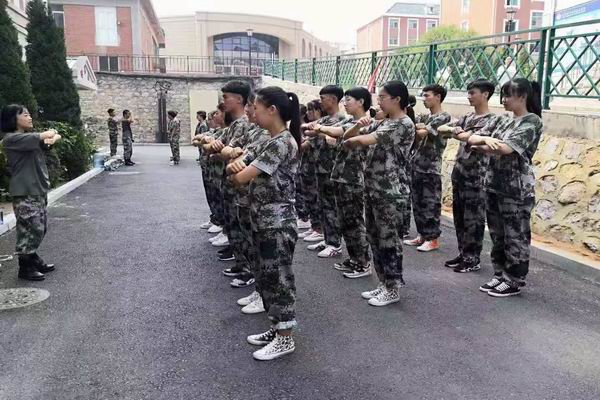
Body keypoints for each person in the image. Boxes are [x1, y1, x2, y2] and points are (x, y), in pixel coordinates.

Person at [227, 86, 301, 360]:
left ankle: (285, 338)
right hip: (263, 219)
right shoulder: (268, 140)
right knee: (266, 278)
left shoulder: (282, 143)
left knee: (279, 279)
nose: (253, 112)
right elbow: (234, 164)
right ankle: (276, 328)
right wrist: (235, 167)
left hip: (277, 222)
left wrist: (236, 169)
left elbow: (240, 176)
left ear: (273, 110)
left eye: (256, 108)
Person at [462, 78, 543, 297]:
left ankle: (514, 279)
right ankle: (500, 274)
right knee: (498, 234)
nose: (504, 100)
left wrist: (485, 142)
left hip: (516, 189)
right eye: (503, 95)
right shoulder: (505, 121)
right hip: (494, 184)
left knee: (515, 235)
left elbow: (506, 149)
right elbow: (472, 138)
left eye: (508, 96)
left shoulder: (531, 121)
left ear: (523, 97)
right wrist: (484, 140)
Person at [342, 81, 415, 306]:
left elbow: (363, 140)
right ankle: (383, 282)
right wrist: (358, 125)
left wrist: (354, 138)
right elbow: (348, 136)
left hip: (391, 192)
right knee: (374, 238)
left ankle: (393, 288)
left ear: (397, 99)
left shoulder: (402, 124)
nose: (379, 101)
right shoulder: (384, 122)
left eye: (382, 97)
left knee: (389, 241)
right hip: (374, 189)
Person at [315, 87, 373, 278]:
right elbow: (335, 131)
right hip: (341, 176)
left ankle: (363, 262)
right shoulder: (349, 121)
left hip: (354, 179)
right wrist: (322, 129)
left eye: (348, 99)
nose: (345, 103)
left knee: (355, 221)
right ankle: (354, 258)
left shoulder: (367, 123)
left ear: (361, 102)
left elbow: (338, 133)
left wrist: (319, 128)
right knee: (345, 221)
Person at [1, 105, 62, 281]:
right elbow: (46, 135)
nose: (30, 117)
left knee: (39, 228)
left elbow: (54, 137)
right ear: (13, 118)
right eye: (25, 115)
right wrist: (51, 134)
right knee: (30, 228)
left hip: (37, 189)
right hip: (25, 191)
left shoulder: (27, 139)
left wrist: (52, 137)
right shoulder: (12, 139)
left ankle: (32, 257)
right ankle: (25, 266)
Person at [444, 79, 497, 273]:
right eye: (468, 93)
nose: (469, 96)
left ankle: (472, 258)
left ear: (485, 94)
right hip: (460, 173)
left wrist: (460, 134)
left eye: (472, 92)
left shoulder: (493, 120)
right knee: (459, 217)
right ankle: (463, 253)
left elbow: (473, 141)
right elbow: (443, 129)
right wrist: (454, 130)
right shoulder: (467, 117)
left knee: (473, 219)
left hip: (477, 177)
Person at [404, 84, 451, 252]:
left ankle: (432, 238)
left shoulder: (443, 117)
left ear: (438, 97)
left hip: (431, 167)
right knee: (417, 202)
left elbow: (422, 133)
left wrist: (421, 127)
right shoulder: (424, 116)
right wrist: (419, 126)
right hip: (416, 164)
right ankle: (422, 235)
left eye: (427, 95)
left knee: (430, 203)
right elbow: (413, 129)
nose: (423, 99)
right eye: (422, 96)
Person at [303, 85, 345, 258]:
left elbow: (333, 137)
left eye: (323, 98)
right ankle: (328, 239)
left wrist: (318, 131)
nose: (320, 102)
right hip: (320, 168)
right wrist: (319, 131)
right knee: (323, 205)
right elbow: (308, 130)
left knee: (331, 207)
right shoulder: (325, 120)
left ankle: (335, 243)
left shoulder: (341, 120)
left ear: (333, 99)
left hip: (332, 169)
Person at [298, 99, 325, 242]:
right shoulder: (310, 128)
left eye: (311, 110)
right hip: (308, 167)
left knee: (315, 199)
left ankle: (319, 229)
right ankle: (314, 226)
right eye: (307, 110)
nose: (308, 113)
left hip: (316, 168)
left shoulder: (319, 129)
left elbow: (304, 146)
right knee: (309, 197)